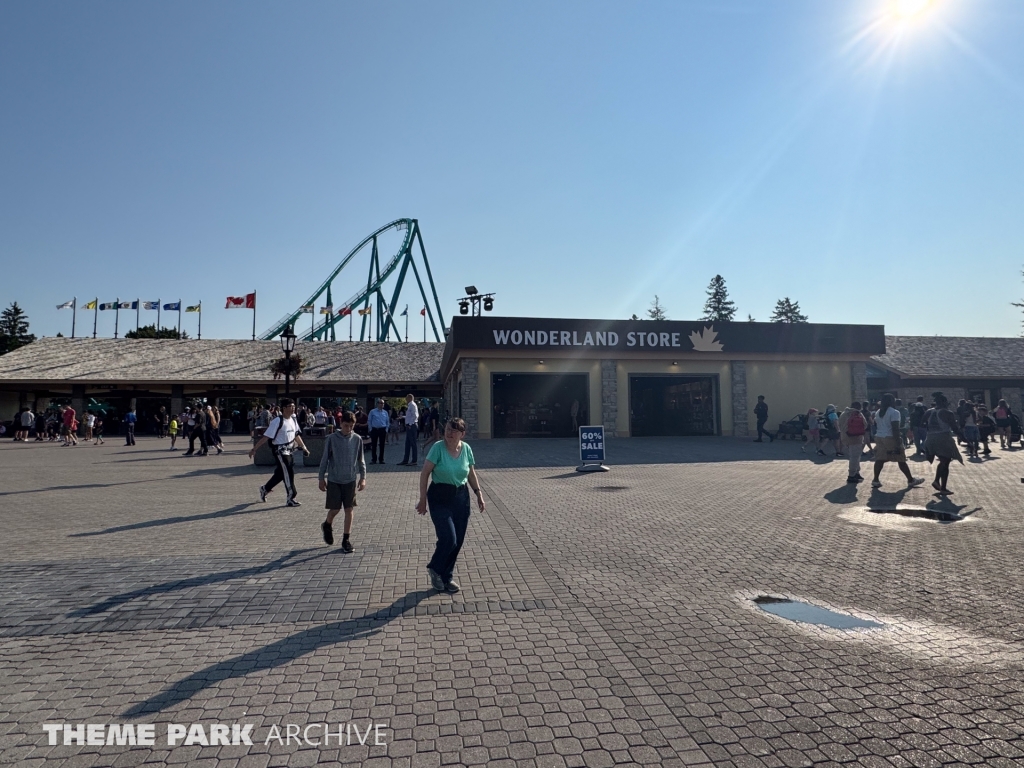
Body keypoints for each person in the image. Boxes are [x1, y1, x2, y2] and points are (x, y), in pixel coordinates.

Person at [416, 417, 485, 593]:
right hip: (439, 497)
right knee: (449, 538)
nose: (449, 433)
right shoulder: (438, 448)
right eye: (447, 429)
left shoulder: (466, 449)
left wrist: (478, 493)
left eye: (454, 430)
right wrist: (423, 499)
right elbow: (425, 474)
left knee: (458, 541)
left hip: (461, 497)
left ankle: (446, 577)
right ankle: (435, 568)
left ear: (462, 434)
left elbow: (471, 474)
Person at [318, 410, 367, 553]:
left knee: (349, 509)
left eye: (351, 426)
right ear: (341, 424)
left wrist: (363, 478)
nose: (348, 429)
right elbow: (325, 459)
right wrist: (321, 478)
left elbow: (361, 460)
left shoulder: (357, 439)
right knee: (335, 509)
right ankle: (327, 525)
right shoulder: (332, 439)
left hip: (350, 479)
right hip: (334, 479)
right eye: (346, 426)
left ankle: (346, 539)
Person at [250, 398, 310, 507]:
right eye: (290, 406)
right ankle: (291, 497)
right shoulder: (277, 421)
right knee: (289, 473)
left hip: (290, 451)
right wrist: (254, 449)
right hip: (280, 452)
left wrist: (304, 448)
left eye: (294, 406)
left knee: (280, 474)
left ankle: (265, 489)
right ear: (284, 408)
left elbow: (296, 435)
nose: (293, 409)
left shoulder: (293, 419)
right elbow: (266, 437)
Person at [870, 393, 924, 489]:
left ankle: (875, 480)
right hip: (890, 437)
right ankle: (910, 480)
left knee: (880, 459)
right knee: (901, 459)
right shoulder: (894, 412)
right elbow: (895, 428)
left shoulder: (878, 412)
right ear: (892, 401)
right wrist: (898, 441)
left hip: (879, 437)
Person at [923, 393, 963, 495]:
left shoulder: (929, 412)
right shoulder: (947, 413)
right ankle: (941, 486)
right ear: (945, 402)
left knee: (943, 461)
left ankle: (938, 483)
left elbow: (922, 423)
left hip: (930, 438)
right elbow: (955, 428)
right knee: (946, 461)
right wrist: (964, 438)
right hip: (943, 438)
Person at [838, 401, 868, 483]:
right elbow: (865, 425)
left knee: (854, 456)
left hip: (846, 437)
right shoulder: (858, 413)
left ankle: (856, 473)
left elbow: (840, 425)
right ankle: (851, 475)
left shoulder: (844, 413)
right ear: (859, 407)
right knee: (855, 457)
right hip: (856, 438)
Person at [398, 394, 420, 466]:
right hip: (409, 426)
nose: (406, 399)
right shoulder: (410, 405)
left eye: (406, 398)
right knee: (407, 443)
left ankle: (414, 460)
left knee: (413, 443)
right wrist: (403, 417)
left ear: (410, 398)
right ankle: (405, 460)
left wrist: (410, 424)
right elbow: (410, 416)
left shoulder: (412, 405)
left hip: (411, 426)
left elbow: (415, 416)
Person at [367, 398, 390, 464]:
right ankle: (374, 459)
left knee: (382, 445)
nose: (382, 404)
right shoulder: (372, 411)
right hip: (374, 429)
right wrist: (370, 429)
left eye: (383, 403)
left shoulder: (385, 412)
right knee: (374, 445)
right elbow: (369, 420)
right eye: (380, 403)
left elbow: (387, 421)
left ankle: (381, 459)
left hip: (382, 430)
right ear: (377, 404)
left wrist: (386, 429)